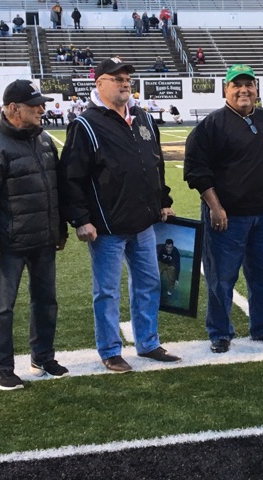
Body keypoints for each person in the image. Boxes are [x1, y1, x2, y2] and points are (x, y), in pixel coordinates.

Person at [58, 57, 181, 372]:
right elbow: (71, 177)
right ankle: (110, 350)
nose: (125, 83)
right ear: (99, 83)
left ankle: (148, 343)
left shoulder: (143, 117)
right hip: (106, 227)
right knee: (107, 292)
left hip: (144, 224)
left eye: (127, 78)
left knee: (149, 284)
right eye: (117, 78)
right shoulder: (85, 124)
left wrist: (163, 200)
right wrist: (80, 219)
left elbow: (155, 164)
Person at [0, 80, 68, 390]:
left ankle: (43, 357)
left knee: (46, 302)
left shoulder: (43, 139)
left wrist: (59, 229)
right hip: (8, 244)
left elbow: (55, 189)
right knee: (3, 307)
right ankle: (0, 367)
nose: (42, 109)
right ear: (14, 108)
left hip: (43, 240)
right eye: (34, 104)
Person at [184, 64, 263, 353]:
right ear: (225, 90)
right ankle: (220, 332)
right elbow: (196, 170)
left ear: (256, 89)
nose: (243, 90)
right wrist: (215, 206)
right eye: (236, 85)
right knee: (221, 278)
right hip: (226, 217)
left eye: (248, 84)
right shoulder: (211, 125)